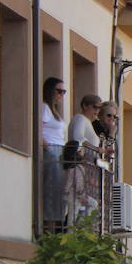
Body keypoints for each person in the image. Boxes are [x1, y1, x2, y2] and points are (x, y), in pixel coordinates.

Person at [64, 94, 104, 224]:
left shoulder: (88, 122)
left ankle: (79, 231)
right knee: (77, 204)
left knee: (87, 205)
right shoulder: (80, 119)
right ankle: (76, 233)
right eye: (95, 107)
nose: (97, 111)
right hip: (78, 165)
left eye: (99, 108)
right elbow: (78, 138)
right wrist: (96, 149)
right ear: (85, 106)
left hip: (86, 168)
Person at [40, 77, 67, 229]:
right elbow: (39, 128)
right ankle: (49, 227)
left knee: (59, 191)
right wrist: (48, 148)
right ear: (50, 91)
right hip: (52, 151)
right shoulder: (45, 108)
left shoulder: (55, 111)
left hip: (59, 151)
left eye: (64, 92)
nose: (61, 95)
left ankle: (56, 224)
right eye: (59, 91)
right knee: (52, 190)